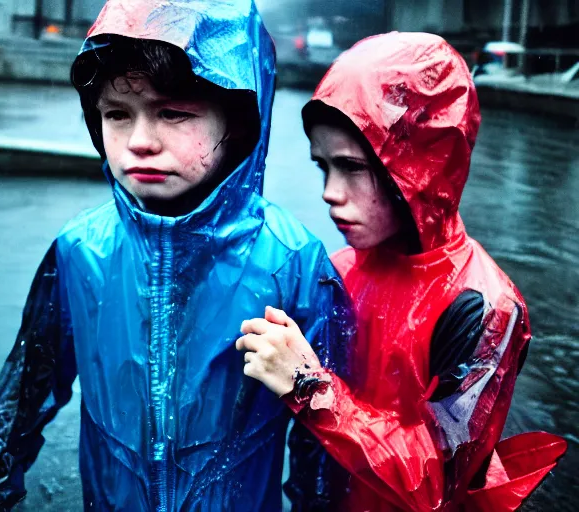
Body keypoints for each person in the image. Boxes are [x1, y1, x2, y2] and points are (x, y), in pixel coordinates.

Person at [0, 1, 352, 510]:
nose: (139, 142)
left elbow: (323, 455)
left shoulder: (293, 264)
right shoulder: (80, 253)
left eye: (173, 113)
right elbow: (19, 402)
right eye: (117, 114)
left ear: (241, 119)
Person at [237, 32, 566, 511]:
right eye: (323, 167)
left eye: (351, 167)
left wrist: (308, 386)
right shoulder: (337, 270)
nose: (329, 191)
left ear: (419, 167)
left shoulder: (485, 307)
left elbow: (437, 480)